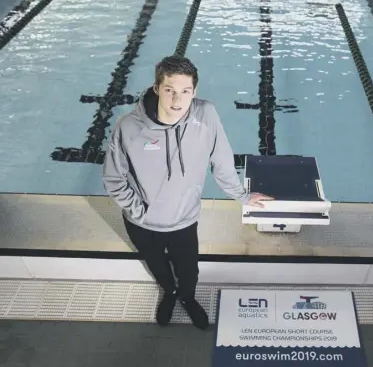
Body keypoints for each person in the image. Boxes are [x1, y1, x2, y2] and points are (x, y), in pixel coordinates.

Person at [102, 55, 273, 329]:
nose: (176, 100)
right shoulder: (128, 127)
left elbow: (222, 162)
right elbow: (113, 178)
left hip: (183, 220)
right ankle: (169, 293)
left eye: (185, 91)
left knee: (188, 270)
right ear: (157, 88)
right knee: (158, 266)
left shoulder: (206, 115)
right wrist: (140, 211)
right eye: (169, 90)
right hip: (141, 223)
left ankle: (188, 298)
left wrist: (242, 196)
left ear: (194, 92)